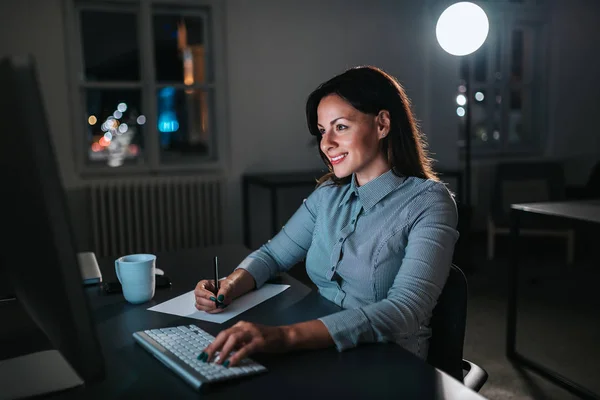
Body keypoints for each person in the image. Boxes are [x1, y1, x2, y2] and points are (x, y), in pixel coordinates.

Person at [194, 65, 459, 367]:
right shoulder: (328, 195)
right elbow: (271, 256)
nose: (326, 143)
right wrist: (229, 285)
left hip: (389, 362)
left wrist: (285, 337)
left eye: (341, 127)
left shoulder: (429, 201)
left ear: (382, 124)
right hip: (322, 347)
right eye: (322, 131)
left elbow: (404, 311)